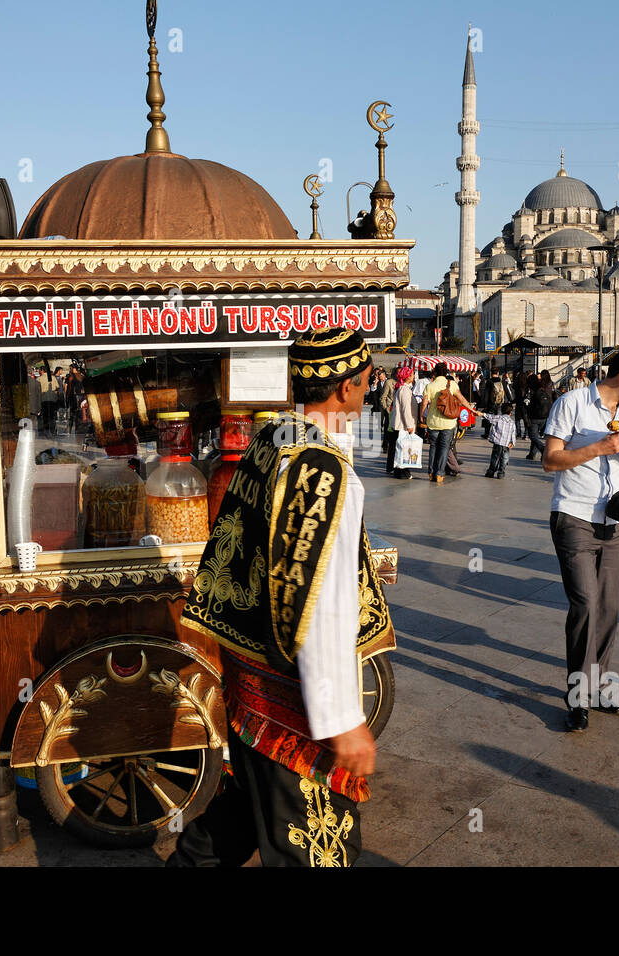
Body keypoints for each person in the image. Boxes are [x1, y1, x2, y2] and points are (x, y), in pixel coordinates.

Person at [169, 328, 390, 867]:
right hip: (292, 696)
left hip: (250, 675)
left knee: (243, 809)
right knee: (316, 846)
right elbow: (318, 603)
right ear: (344, 389)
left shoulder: (275, 438)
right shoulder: (322, 470)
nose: (368, 391)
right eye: (364, 381)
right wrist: (340, 717)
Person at [543, 345, 619, 732]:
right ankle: (576, 695)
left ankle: (596, 686)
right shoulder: (572, 403)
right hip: (573, 516)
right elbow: (550, 460)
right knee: (586, 605)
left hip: (614, 519)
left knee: (609, 607)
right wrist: (600, 447)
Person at [421, 362, 474, 483]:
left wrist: (421, 416)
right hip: (449, 422)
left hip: (433, 422)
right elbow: (462, 399)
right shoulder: (452, 384)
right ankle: (440, 473)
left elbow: (424, 403)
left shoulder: (430, 386)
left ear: (435, 372)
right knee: (444, 448)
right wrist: (472, 410)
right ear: (446, 372)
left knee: (433, 447)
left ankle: (431, 472)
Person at [388, 365, 419, 479]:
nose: (413, 376)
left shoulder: (403, 389)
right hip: (403, 425)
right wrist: (409, 426)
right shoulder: (404, 390)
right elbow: (406, 409)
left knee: (402, 449)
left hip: (401, 424)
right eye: (411, 374)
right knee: (404, 450)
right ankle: (403, 472)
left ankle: (400, 471)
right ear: (407, 377)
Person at [524, 372, 556, 461]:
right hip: (545, 416)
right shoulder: (542, 389)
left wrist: (526, 418)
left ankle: (543, 449)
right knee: (536, 436)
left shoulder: (530, 390)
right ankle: (532, 454)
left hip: (534, 417)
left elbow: (526, 404)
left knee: (533, 436)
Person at [481, 402, 516, 479]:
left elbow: (489, 416)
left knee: (495, 458)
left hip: (497, 443)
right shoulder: (512, 422)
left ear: (501, 411)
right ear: (510, 413)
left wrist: (481, 414)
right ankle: (501, 473)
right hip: (506, 444)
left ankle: (491, 472)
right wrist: (512, 442)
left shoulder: (498, 418)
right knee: (504, 459)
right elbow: (513, 433)